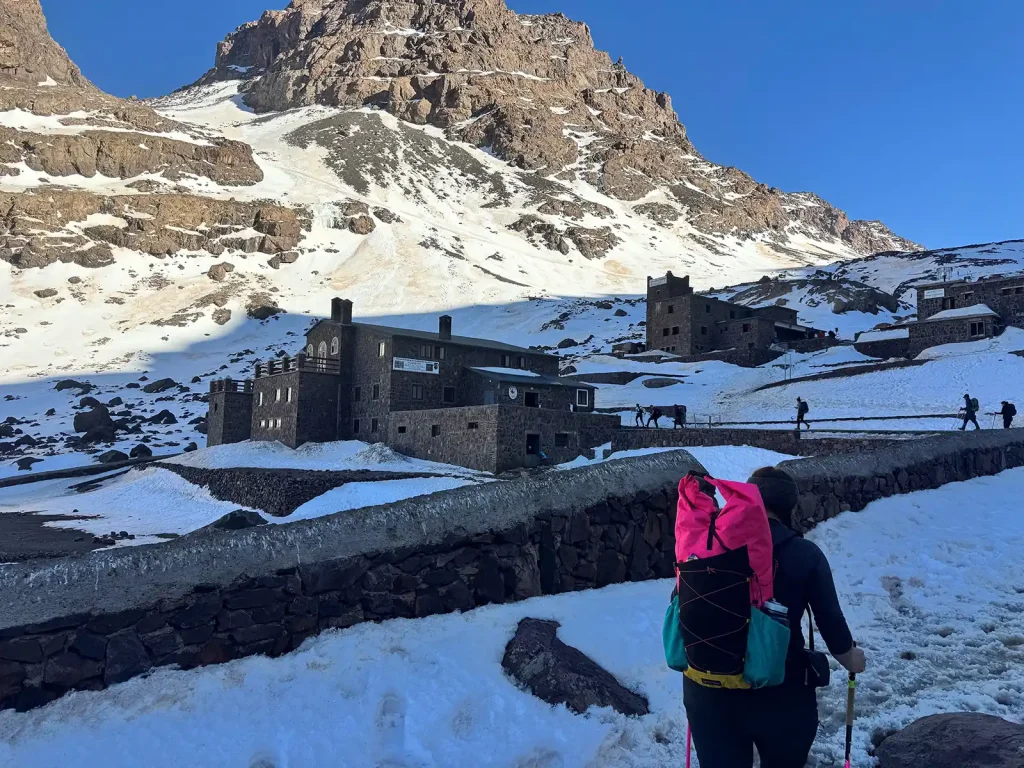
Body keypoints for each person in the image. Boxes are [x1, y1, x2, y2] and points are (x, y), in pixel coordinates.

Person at [683, 467, 866, 768]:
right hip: (781, 694)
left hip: (707, 691)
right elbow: (833, 628)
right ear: (789, 507)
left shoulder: (708, 543)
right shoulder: (805, 553)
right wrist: (852, 659)